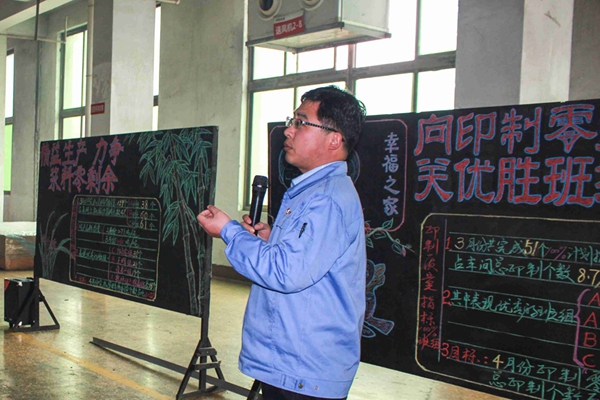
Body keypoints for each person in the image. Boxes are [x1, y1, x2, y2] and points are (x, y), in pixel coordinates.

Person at [197, 85, 367, 400]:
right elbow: (304, 259)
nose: (289, 130)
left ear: (334, 139)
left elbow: (286, 272)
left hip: (306, 370)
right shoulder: (312, 191)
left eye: (301, 122)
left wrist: (229, 231)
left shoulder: (326, 199)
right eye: (292, 121)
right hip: (292, 363)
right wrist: (270, 240)